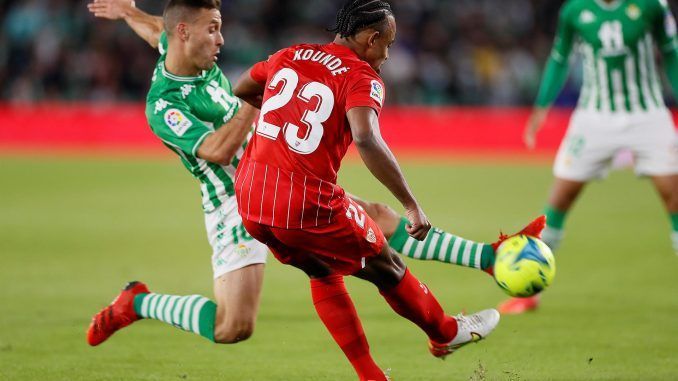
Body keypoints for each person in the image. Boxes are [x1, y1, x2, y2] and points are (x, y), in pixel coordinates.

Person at [85, 0, 543, 351]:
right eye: (213, 29)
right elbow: (219, 150)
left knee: (374, 220)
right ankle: (139, 302)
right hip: (233, 203)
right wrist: (259, 98)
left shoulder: (179, 48)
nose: (221, 40)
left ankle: (488, 259)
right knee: (232, 327)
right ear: (185, 34)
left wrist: (129, 10)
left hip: (279, 174)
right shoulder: (164, 106)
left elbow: (157, 30)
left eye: (220, 27)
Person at [229, 1, 534, 379]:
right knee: (386, 263)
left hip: (251, 197)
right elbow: (366, 138)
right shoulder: (361, 76)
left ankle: (371, 375)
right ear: (371, 39)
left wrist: (285, 118)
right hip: (304, 201)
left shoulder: (289, 54)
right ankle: (445, 332)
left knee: (321, 269)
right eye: (387, 44)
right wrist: (411, 203)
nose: (387, 55)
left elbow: (242, 87)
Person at [502, 0, 678, 315]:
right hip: (594, 117)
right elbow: (559, 59)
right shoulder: (575, 11)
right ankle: (530, 292)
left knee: (674, 197)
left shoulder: (652, 5)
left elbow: (671, 54)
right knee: (559, 199)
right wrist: (542, 107)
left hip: (647, 114)